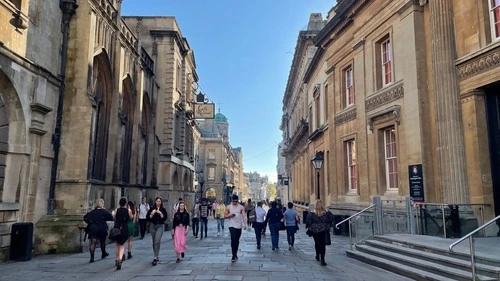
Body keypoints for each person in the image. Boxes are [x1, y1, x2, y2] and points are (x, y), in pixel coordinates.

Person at [83, 199, 113, 263]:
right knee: (102, 242)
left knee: (93, 242)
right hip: (102, 228)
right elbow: (111, 217)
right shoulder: (104, 211)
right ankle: (103, 253)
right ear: (102, 204)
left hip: (93, 228)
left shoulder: (91, 212)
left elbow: (85, 218)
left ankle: (92, 257)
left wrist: (90, 222)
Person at [306, 199, 335, 266]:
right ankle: (322, 260)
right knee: (323, 245)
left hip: (315, 231)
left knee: (317, 243)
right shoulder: (326, 212)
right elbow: (332, 218)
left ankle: (317, 255)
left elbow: (308, 221)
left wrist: (312, 226)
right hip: (323, 230)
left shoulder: (312, 213)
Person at [111, 197, 133, 270]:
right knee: (122, 245)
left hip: (117, 228)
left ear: (119, 203)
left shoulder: (116, 210)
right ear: (125, 203)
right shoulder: (128, 210)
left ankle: (117, 259)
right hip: (124, 228)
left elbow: (113, 217)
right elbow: (131, 217)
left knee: (117, 245)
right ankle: (120, 259)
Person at [224, 194, 247, 262]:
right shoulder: (228, 207)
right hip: (231, 225)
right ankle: (233, 255)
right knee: (233, 239)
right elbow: (225, 216)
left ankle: (235, 253)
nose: (235, 202)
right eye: (234, 201)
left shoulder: (241, 207)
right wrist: (230, 215)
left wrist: (245, 224)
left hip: (239, 226)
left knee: (236, 241)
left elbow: (244, 216)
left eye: (236, 201)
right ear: (232, 200)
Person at [147, 196, 168, 266]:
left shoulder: (163, 209)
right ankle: (156, 254)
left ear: (161, 202)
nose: (158, 202)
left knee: (157, 240)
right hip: (153, 226)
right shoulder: (152, 209)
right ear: (155, 202)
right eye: (157, 201)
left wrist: (160, 213)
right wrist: (152, 213)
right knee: (154, 241)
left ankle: (155, 257)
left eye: (159, 201)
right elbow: (148, 218)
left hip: (160, 226)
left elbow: (164, 218)